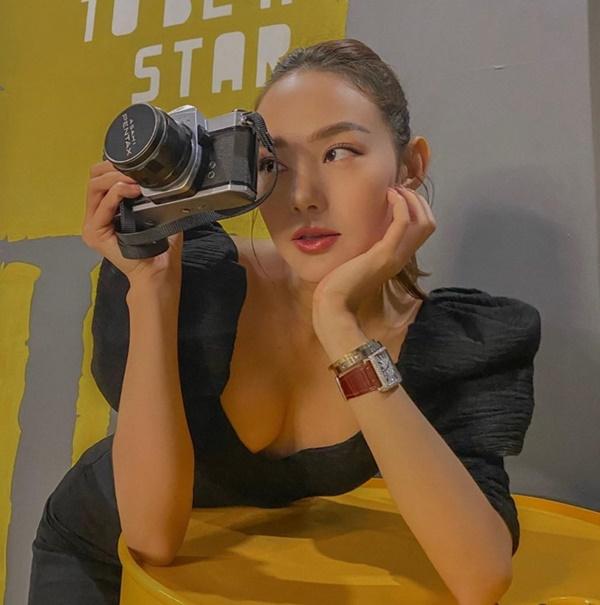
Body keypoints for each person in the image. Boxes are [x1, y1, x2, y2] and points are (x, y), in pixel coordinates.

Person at [28, 38, 541, 604]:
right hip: (102, 551)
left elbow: (480, 575)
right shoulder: (189, 277)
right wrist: (151, 288)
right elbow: (151, 539)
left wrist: (338, 322)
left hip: (237, 568)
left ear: (411, 166)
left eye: (339, 152)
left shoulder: (456, 345)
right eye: (274, 164)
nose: (302, 197)